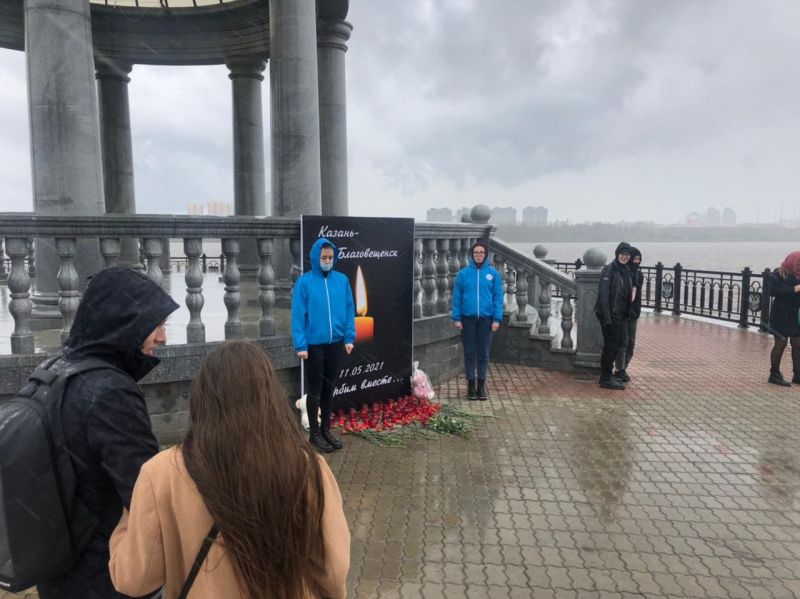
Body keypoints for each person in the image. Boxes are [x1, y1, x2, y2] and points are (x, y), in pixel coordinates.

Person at [109, 341, 350, 599]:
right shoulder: (307, 468)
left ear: (201, 397)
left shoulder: (160, 474)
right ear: (271, 397)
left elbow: (134, 580)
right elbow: (334, 574)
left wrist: (127, 512)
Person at [36, 267, 179, 599]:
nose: (162, 337)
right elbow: (146, 497)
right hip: (103, 574)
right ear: (124, 322)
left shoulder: (54, 370)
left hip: (56, 561)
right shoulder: (111, 393)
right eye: (155, 324)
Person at [291, 238, 355, 452]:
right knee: (315, 391)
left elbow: (349, 310)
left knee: (329, 389)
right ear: (316, 258)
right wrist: (301, 345)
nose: (327, 261)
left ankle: (327, 429)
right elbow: (298, 316)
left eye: (330, 257)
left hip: (335, 344)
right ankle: (315, 434)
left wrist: (349, 337)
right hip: (314, 346)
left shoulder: (342, 280)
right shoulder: (305, 282)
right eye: (324, 257)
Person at [451, 241, 504, 400]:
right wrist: (457, 318)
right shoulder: (463, 274)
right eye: (476, 253)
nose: (479, 255)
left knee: (483, 353)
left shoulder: (493, 274)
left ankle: (481, 386)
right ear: (471, 255)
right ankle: (471, 386)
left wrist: (497, 319)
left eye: (481, 252)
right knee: (469, 353)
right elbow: (456, 298)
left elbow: (498, 298)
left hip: (486, 320)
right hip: (468, 320)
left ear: (486, 255)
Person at [594, 242, 633, 390]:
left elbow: (627, 294)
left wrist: (627, 312)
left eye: (627, 255)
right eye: (622, 254)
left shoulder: (625, 270)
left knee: (617, 345)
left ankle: (609, 375)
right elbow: (604, 294)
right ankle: (605, 377)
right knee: (610, 347)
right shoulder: (609, 270)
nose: (624, 257)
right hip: (609, 315)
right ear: (617, 254)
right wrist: (607, 317)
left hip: (620, 315)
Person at [767, 251, 800, 386]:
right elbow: (773, 291)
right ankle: (774, 374)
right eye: (798, 263)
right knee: (781, 343)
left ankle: (797, 375)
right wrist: (794, 289)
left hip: (795, 315)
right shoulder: (779, 274)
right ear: (792, 261)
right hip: (780, 314)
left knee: (798, 344)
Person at [614, 247, 643, 382]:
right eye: (634, 259)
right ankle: (619, 369)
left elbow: (637, 296)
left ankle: (624, 366)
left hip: (634, 312)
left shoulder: (639, 275)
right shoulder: (624, 273)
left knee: (631, 342)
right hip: (623, 312)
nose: (636, 262)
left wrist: (636, 310)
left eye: (639, 259)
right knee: (623, 342)